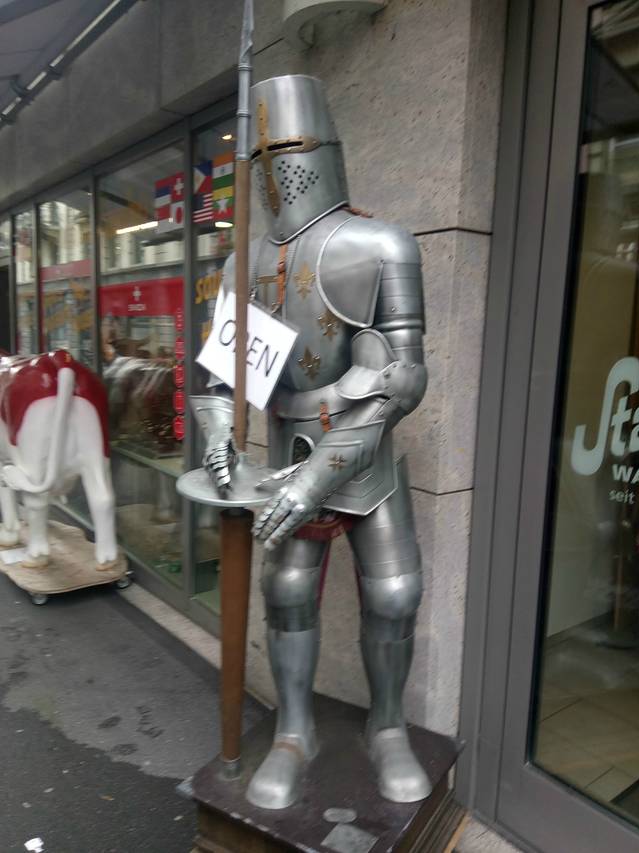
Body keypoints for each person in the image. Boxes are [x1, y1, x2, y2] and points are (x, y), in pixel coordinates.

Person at [198, 74, 429, 810]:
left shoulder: (381, 245)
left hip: (363, 457)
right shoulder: (242, 264)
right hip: (285, 451)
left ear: (324, 150)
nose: (279, 169)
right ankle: (294, 731)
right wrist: (217, 439)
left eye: (290, 150)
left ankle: (387, 725)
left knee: (395, 592)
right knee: (287, 589)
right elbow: (217, 378)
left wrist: (314, 481)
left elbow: (401, 379)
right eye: (265, 156)